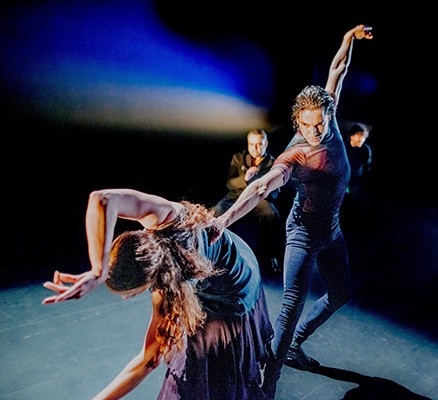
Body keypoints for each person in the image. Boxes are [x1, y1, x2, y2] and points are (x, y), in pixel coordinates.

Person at [209, 25, 373, 398]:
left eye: (321, 123)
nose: (315, 131)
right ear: (297, 121)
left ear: (330, 115)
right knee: (291, 306)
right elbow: (260, 186)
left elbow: (337, 70)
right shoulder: (296, 153)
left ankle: (294, 346)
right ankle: (270, 381)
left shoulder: (327, 122)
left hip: (332, 231)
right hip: (301, 232)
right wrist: (223, 219)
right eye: (307, 124)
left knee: (340, 294)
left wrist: (347, 38)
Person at [42, 188, 274, 400]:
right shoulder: (165, 217)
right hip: (233, 251)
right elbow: (102, 199)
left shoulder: (172, 290)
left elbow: (148, 360)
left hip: (234, 284)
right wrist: (98, 268)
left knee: (201, 360)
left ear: (148, 285)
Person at [212, 129, 281, 273]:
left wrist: (265, 188)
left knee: (271, 215)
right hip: (236, 196)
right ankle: (219, 251)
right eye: (252, 144)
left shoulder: (273, 163)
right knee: (217, 210)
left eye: (259, 144)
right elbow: (230, 183)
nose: (255, 149)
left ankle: (268, 254)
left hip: (258, 199)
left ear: (266, 144)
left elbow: (276, 193)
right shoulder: (238, 158)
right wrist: (245, 179)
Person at [344, 123, 372, 199]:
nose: (362, 139)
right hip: (343, 181)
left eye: (363, 136)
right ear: (351, 136)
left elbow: (367, 167)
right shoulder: (343, 147)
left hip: (357, 182)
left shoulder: (365, 150)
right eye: (359, 135)